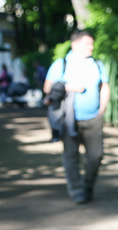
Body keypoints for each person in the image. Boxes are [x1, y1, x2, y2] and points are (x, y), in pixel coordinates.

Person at [43, 30, 110, 204]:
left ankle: (87, 186)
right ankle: (76, 190)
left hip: (93, 119)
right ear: (75, 45)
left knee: (96, 156)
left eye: (92, 43)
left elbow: (104, 86)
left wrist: (102, 107)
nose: (92, 47)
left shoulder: (96, 63)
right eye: (88, 44)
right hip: (68, 119)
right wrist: (69, 86)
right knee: (71, 156)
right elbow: (47, 88)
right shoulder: (61, 64)